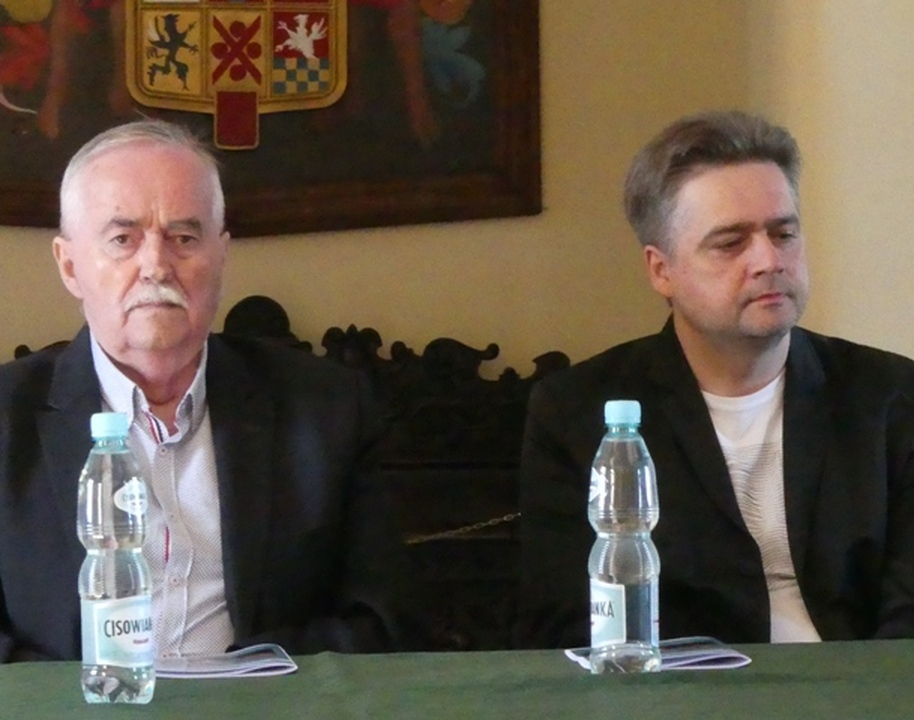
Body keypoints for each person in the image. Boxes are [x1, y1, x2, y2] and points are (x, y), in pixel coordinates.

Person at [0, 119, 408, 662]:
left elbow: (382, 619)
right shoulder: (7, 418)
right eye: (123, 239)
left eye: (184, 238)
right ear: (70, 266)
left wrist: (240, 683)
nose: (156, 266)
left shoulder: (327, 410)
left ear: (221, 256)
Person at [514, 110, 914, 648]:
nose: (768, 260)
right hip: (682, 687)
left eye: (784, 233)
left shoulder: (891, 396)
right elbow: (564, 621)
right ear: (661, 270)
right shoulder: (577, 412)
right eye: (731, 243)